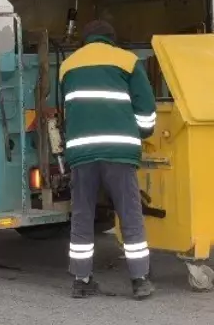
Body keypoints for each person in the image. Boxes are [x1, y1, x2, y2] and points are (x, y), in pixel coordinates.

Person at [59, 19, 158, 299]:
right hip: (119, 151)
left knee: (82, 214)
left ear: (86, 41)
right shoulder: (127, 61)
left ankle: (81, 279)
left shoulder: (68, 65)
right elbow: (146, 108)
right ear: (112, 40)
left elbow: (66, 110)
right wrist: (141, 131)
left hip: (82, 153)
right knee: (129, 214)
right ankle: (139, 280)